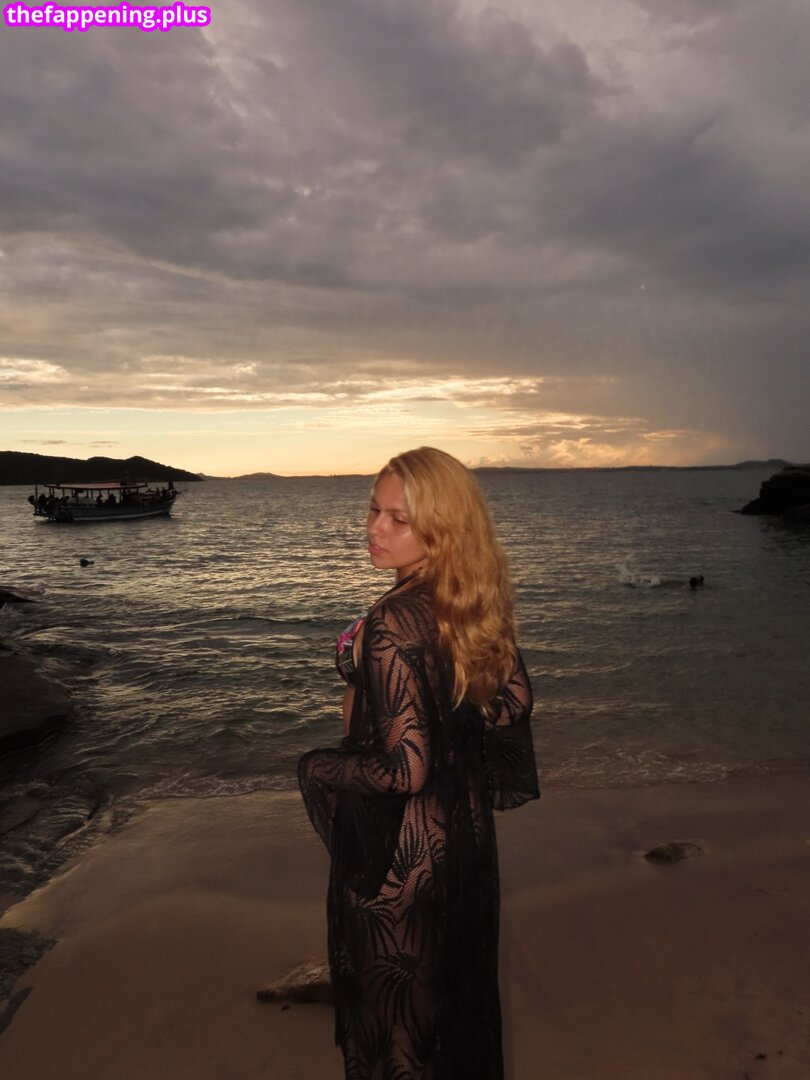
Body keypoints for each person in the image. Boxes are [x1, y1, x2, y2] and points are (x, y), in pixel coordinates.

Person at [298, 447, 539, 1080]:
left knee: (398, 1043)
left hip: (400, 858)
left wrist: (319, 768)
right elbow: (513, 702)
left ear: (443, 528)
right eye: (374, 510)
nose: (375, 529)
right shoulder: (466, 601)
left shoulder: (391, 621)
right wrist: (449, 726)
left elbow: (404, 770)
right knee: (450, 1025)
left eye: (399, 519)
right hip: (461, 841)